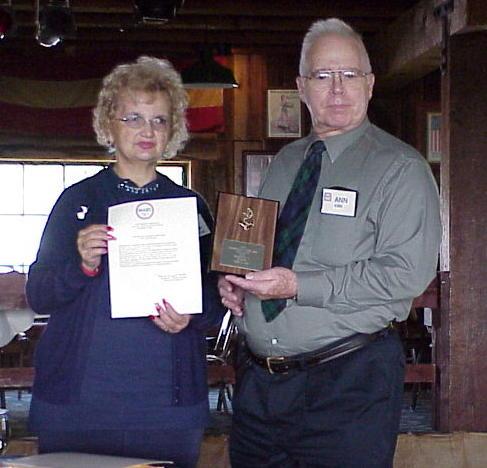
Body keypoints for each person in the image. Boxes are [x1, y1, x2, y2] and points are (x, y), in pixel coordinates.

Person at [219, 18, 441, 467]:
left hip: (348, 384)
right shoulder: (285, 162)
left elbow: (406, 275)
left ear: (369, 84)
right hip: (260, 386)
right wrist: (238, 283)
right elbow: (262, 248)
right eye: (322, 75)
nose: (337, 88)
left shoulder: (402, 169)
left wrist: (298, 286)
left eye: (349, 74)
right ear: (302, 87)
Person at [26, 56, 224, 467]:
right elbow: (39, 294)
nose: (147, 131)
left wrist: (192, 313)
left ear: (173, 129)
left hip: (166, 408)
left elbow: (217, 301)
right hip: (79, 405)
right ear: (108, 124)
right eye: (133, 118)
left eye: (159, 120)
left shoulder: (191, 207)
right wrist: (80, 265)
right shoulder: (77, 201)